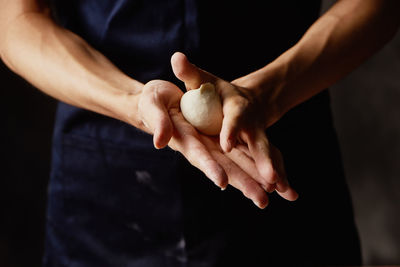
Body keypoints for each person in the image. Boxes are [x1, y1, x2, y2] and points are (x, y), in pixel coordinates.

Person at [1, 0, 399, 266]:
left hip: (275, 157)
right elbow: (13, 19)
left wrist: (267, 93)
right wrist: (130, 99)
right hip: (101, 183)